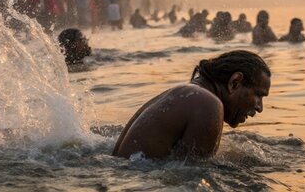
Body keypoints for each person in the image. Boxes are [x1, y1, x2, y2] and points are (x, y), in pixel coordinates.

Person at [113, 50, 271, 159]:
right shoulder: (208, 105)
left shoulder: (190, 93)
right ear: (234, 83)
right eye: (258, 95)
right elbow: (191, 178)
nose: (260, 107)